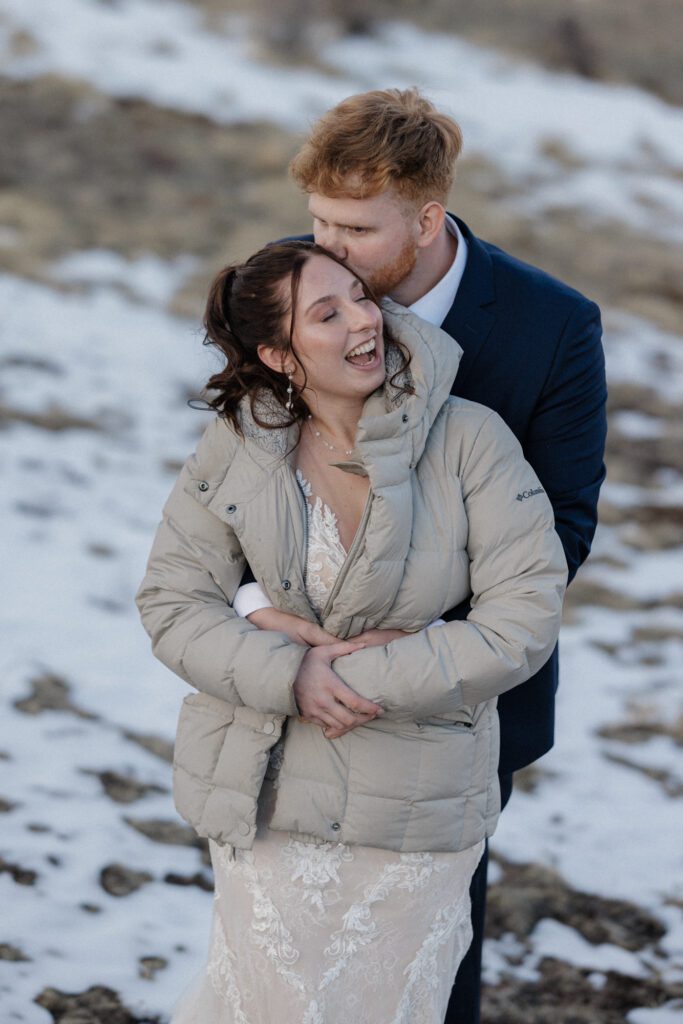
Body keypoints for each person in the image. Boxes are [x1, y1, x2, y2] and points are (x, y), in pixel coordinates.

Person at [233, 88, 608, 1023]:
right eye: (317, 217)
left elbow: (564, 525)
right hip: (296, 683)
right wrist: (265, 615)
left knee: (427, 951)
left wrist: (413, 643)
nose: (326, 243)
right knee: (281, 939)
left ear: (428, 216)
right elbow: (236, 488)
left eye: (354, 227)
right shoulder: (292, 289)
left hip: (460, 700)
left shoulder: (552, 325)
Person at [136, 240, 567, 1022]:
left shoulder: (471, 438)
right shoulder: (236, 446)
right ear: (278, 353)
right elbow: (172, 601)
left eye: (360, 298)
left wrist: (355, 681)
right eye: (326, 313)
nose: (364, 320)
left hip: (417, 809)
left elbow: (524, 616)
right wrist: (289, 677)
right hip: (265, 798)